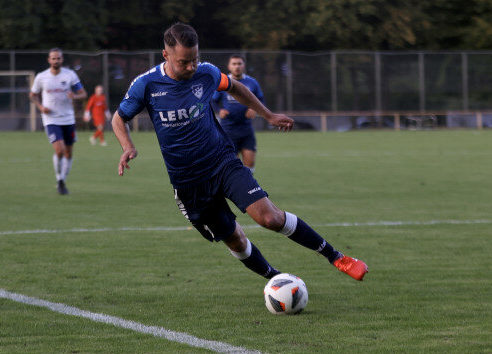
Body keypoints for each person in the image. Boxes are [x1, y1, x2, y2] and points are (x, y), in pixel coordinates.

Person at [111, 23, 368, 282]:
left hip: (222, 162)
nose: (191, 67)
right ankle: (276, 279)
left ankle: (337, 257)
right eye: (184, 62)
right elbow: (118, 119)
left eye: (195, 60)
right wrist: (128, 146)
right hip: (188, 182)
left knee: (269, 217)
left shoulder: (207, 73)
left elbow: (235, 87)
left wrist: (268, 115)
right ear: (165, 55)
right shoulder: (146, 84)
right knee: (234, 239)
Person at [30, 48, 87, 194]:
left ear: (62, 60)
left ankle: (62, 179)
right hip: (51, 119)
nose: (56, 61)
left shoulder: (70, 75)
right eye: (53, 58)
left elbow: (83, 94)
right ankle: (59, 179)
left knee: (69, 153)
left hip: (68, 118)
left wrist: (74, 96)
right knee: (59, 150)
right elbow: (33, 95)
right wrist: (40, 107)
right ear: (49, 60)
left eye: (58, 58)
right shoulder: (41, 77)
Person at [212, 55, 263, 172]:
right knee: (234, 166)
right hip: (228, 130)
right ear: (229, 66)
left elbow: (260, 99)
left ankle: (248, 188)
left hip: (246, 129)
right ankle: (236, 188)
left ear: (244, 66)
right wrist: (220, 111)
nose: (237, 66)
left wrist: (254, 109)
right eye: (234, 64)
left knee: (250, 163)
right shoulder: (223, 82)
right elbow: (213, 101)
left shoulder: (251, 82)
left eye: (239, 64)